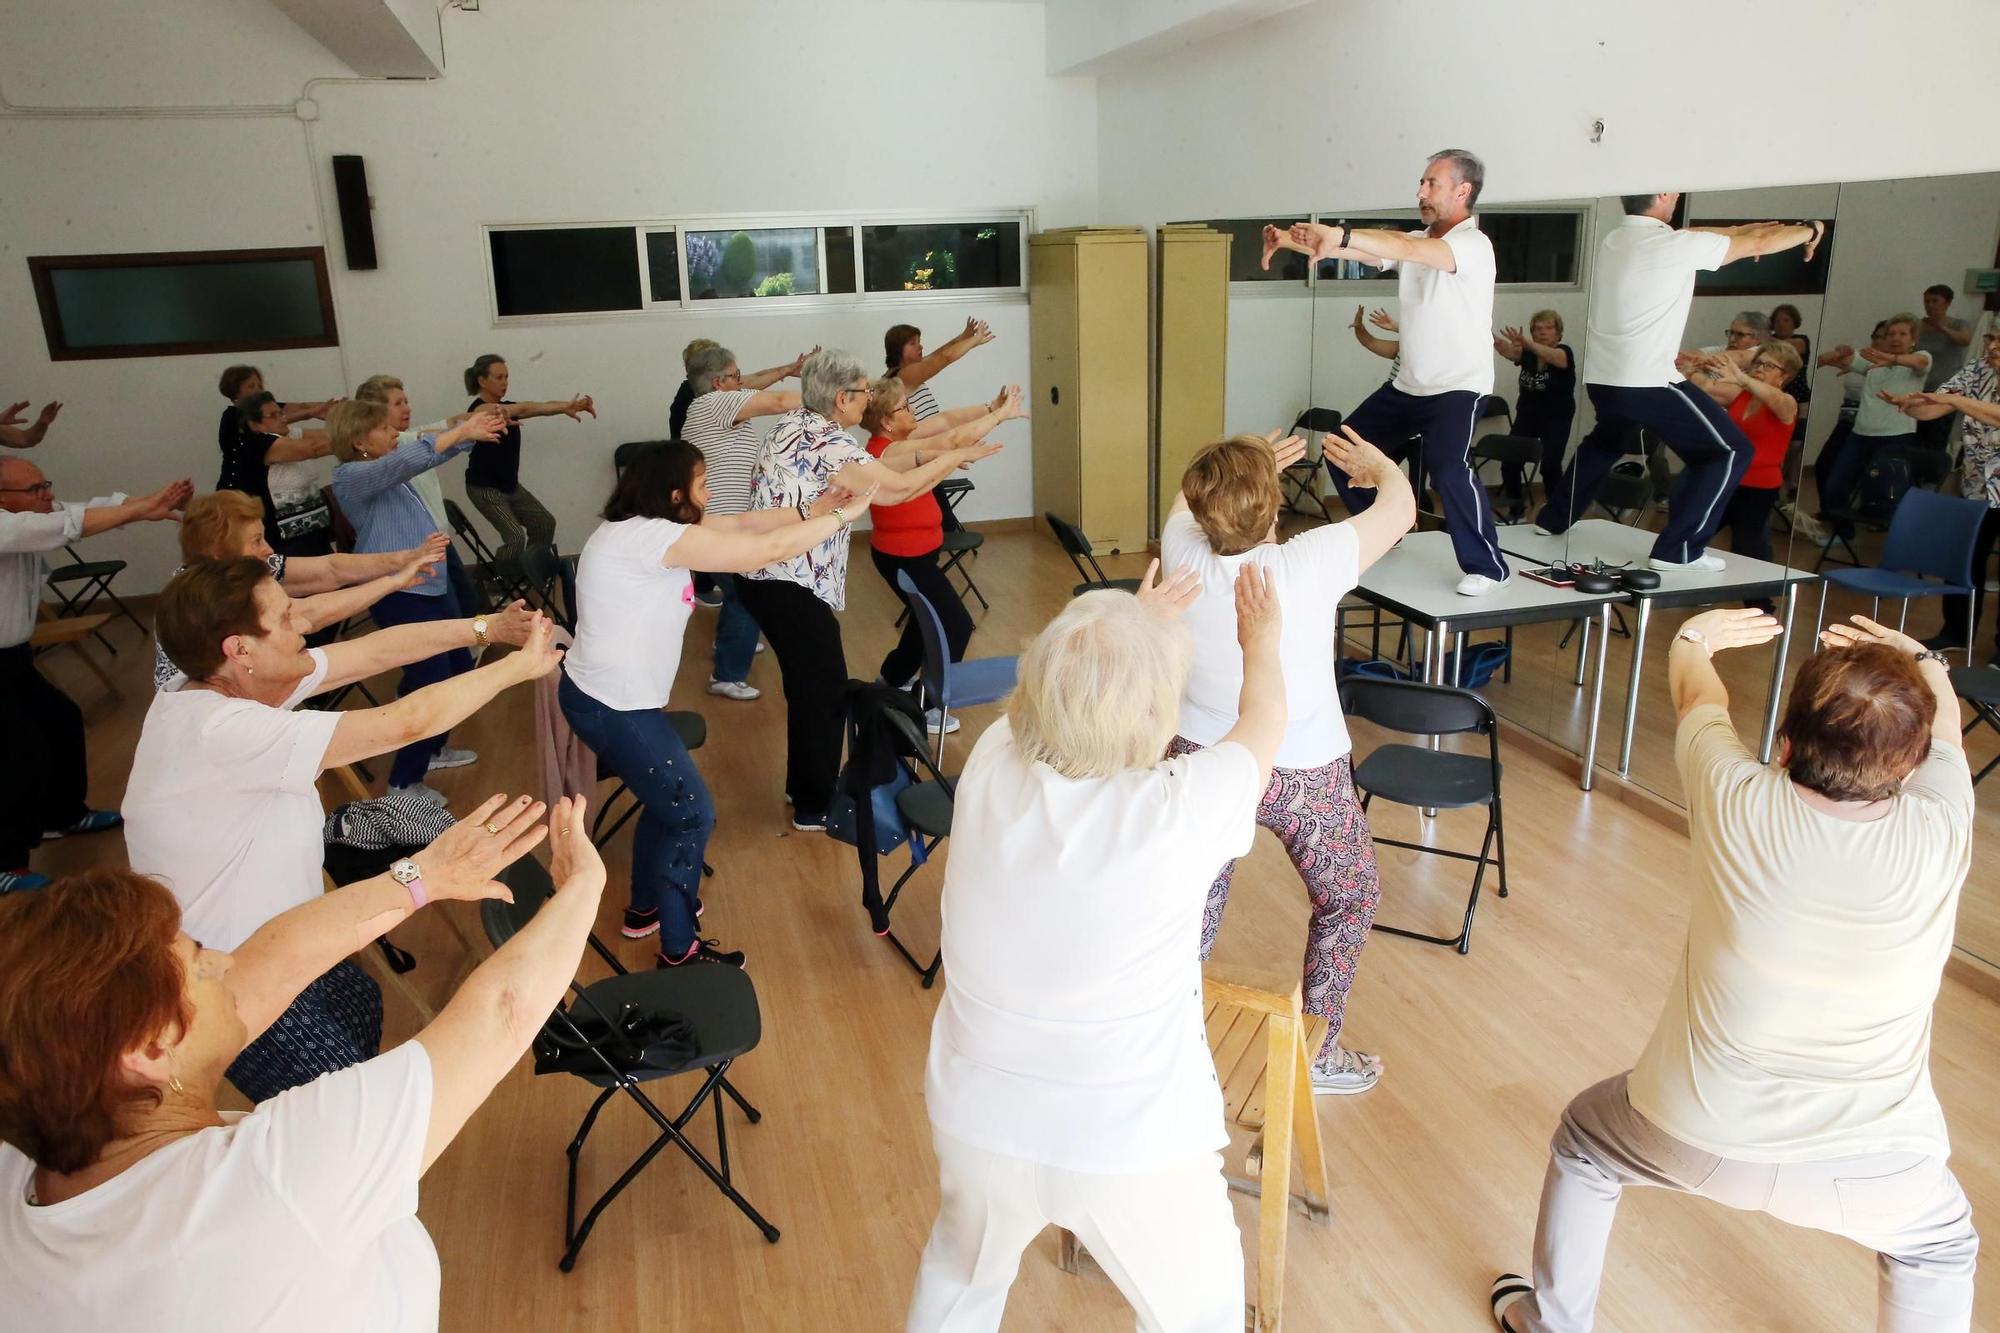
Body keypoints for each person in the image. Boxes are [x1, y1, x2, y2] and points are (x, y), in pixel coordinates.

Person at [1491, 610, 1978, 1333]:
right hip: (1879, 1163)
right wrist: (1921, 658)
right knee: (1940, 1247)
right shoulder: (1944, 819)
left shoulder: (1736, 796)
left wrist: (1694, 636)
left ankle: (1552, 1320)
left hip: (1695, 1127)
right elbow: (1948, 732)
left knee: (1587, 1142)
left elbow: (1698, 698)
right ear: (1908, 766)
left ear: (1782, 746)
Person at [0, 795, 610, 1329]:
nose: (223, 963)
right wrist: (583, 886)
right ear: (149, 1051)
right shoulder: (275, 1180)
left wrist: (426, 875)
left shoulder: (25, 1152)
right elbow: (503, 1011)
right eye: (198, 959)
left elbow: (266, 967)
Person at [906, 562, 1284, 1332]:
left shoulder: (987, 764)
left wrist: (1121, 626)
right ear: (1150, 714)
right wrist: (1265, 641)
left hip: (980, 1120)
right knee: (1199, 1314)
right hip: (1130, 1140)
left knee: (958, 1280)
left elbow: (1047, 701)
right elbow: (1264, 725)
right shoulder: (1175, 809)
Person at [128, 557, 551, 1098]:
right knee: (340, 1104)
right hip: (226, 978)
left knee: (362, 1006)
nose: (303, 623)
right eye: (285, 619)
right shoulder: (218, 728)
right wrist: (516, 667)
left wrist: (486, 629)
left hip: (295, 936)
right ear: (240, 649)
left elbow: (376, 650)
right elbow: (405, 723)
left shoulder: (233, 685)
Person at [1163, 425, 1412, 1094]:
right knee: (1349, 895)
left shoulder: (1180, 547)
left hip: (1206, 756)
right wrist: (1379, 462)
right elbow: (1402, 506)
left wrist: (1236, 474)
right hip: (1307, 768)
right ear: (1275, 507)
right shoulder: (1310, 558)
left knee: (1190, 901)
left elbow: (1187, 508)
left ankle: (1163, 1040)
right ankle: (1318, 1052)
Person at [562, 441, 876, 968]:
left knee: (665, 803)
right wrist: (844, 516)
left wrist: (814, 508)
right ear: (675, 494)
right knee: (692, 814)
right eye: (703, 485)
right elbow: (760, 552)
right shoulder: (647, 539)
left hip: (606, 697)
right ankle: (679, 950)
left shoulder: (639, 531)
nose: (710, 497)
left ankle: (644, 911)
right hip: (614, 707)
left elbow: (743, 525)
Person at [734, 349, 1002, 832]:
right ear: (841, 399)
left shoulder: (797, 423)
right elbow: (895, 489)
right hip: (785, 582)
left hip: (771, 577)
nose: (869, 399)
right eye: (863, 392)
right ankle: (814, 806)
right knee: (824, 691)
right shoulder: (825, 441)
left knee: (809, 688)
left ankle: (804, 787)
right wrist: (956, 456)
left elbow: (896, 472)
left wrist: (945, 452)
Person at [1264, 149, 1511, 595]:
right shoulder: (1420, 242)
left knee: (1448, 469)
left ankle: (1488, 567)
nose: (1421, 192)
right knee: (1341, 448)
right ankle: (1387, 530)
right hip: (1407, 387)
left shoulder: (1472, 246)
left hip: (1458, 388)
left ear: (1462, 191)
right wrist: (1288, 238)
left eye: (1432, 184)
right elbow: (1365, 246)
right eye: (1422, 182)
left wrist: (1340, 231)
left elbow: (1405, 246)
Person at [1533, 195, 1823, 572]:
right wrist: (1811, 229)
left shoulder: (1616, 240)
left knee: (1605, 442)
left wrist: (1757, 230)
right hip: (1649, 383)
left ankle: (1552, 519)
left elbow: (1724, 233)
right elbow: (1758, 245)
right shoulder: (1675, 245)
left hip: (1604, 380)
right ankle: (1679, 550)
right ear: (1666, 195)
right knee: (1730, 452)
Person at [0, 460, 190, 894]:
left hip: (13, 658)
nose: (46, 494)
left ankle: (63, 814)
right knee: (17, 753)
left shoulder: (33, 514)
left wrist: (147, 503)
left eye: (46, 484)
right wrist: (142, 509)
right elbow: (68, 524)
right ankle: (5, 863)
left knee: (61, 719)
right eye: (34, 489)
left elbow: (85, 509)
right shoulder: (9, 526)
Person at [329, 397, 507, 792]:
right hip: (400, 592)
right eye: (384, 428)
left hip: (429, 585)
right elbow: (406, 461)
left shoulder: (385, 470)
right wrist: (460, 432)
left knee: (459, 665)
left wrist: (468, 436)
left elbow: (422, 459)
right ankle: (403, 781)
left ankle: (430, 746)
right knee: (433, 681)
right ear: (359, 439)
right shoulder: (351, 477)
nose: (395, 433)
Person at [859, 377, 1026, 730]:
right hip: (904, 557)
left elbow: (948, 422)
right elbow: (951, 440)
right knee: (955, 624)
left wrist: (991, 408)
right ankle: (928, 704)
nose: (913, 408)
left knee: (925, 619)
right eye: (904, 406)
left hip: (914, 553)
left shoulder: (904, 439)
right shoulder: (887, 453)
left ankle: (892, 678)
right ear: (887, 420)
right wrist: (1000, 418)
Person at [679, 342, 811, 701]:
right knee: (746, 594)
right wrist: (830, 395)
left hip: (728, 524)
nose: (744, 382)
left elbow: (763, 393)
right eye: (737, 376)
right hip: (719, 526)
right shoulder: (713, 403)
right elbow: (780, 402)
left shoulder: (715, 402)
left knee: (743, 592)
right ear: (719, 382)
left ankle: (735, 647)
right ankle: (726, 673)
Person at [1883, 328, 2000, 655]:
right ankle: (1957, 633)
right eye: (1991, 338)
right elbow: (1935, 405)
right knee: (1964, 561)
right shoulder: (1978, 369)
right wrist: (1911, 405)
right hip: (1978, 485)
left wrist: (1951, 399)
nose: (1993, 346)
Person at [352, 373, 484, 615]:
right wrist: (465, 431)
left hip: (439, 541)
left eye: (406, 401)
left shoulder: (412, 436)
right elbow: (431, 443)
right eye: (398, 403)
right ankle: (473, 644)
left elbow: (451, 428)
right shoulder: (387, 454)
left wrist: (481, 422)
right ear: (375, 411)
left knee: (468, 606)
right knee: (451, 616)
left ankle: (479, 645)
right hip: (413, 554)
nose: (407, 408)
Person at [462, 353, 596, 564]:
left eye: (506, 377)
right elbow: (524, 408)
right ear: (482, 381)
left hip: (510, 486)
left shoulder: (507, 409)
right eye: (499, 377)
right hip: (484, 488)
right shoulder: (480, 410)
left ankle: (530, 570)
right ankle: (501, 583)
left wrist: (569, 406)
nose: (505, 382)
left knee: (544, 523)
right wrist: (562, 407)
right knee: (515, 538)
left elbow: (537, 407)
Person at [1685, 341, 1801, 566]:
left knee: (1747, 545)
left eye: (1769, 366)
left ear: (1784, 376)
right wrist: (1695, 366)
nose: (1759, 368)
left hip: (1759, 488)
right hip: (1729, 479)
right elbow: (1704, 387)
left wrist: (1742, 377)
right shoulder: (1740, 395)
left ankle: (1761, 600)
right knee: (1692, 530)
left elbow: (1775, 399)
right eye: (1758, 363)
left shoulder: (1787, 403)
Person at [1813, 315, 1930, 527]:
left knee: (1886, 495)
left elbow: (1919, 362)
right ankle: (1843, 533)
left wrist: (1892, 359)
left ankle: (1897, 539)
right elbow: (1845, 359)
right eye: (1891, 334)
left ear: (1913, 339)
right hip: (1860, 436)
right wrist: (1837, 354)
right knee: (1835, 486)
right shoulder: (1872, 364)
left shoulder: (1920, 358)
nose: (1895, 338)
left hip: (1897, 437)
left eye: (1902, 334)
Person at [220, 390, 334, 554]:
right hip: (286, 542)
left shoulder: (289, 434)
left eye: (281, 413)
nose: (283, 418)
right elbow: (314, 448)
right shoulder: (258, 445)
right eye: (273, 415)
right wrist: (359, 441)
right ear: (254, 424)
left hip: (314, 533)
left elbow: (330, 435)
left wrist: (357, 425)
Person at [1493, 310, 1578, 516]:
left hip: (1556, 416)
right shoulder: (1528, 352)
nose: (1542, 332)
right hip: (1528, 415)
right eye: (1538, 329)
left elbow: (1553, 357)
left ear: (1558, 333)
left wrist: (1526, 343)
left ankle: (1556, 512)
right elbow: (1511, 352)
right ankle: (1517, 509)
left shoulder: (1563, 351)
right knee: (1510, 462)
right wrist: (1496, 343)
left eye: (1548, 328)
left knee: (1550, 465)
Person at [214, 365, 334, 465]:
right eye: (251, 386)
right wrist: (309, 414)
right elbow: (271, 420)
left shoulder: (267, 407)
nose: (257, 390)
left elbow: (301, 406)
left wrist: (337, 408)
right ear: (235, 392)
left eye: (260, 386)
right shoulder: (231, 416)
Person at [887, 318, 996, 422]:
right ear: (897, 349)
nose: (920, 347)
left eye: (919, 341)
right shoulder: (903, 376)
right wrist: (975, 339)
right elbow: (945, 357)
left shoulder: (903, 371)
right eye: (912, 343)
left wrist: (963, 338)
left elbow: (937, 355)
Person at [1916, 284, 1974, 449]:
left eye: (1935, 301)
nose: (1930, 305)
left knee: (1937, 438)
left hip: (1945, 391)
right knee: (1916, 436)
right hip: (1920, 389)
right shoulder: (1918, 325)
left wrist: (1941, 327)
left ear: (1947, 303)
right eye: (1927, 301)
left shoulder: (1958, 324)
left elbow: (1965, 340)